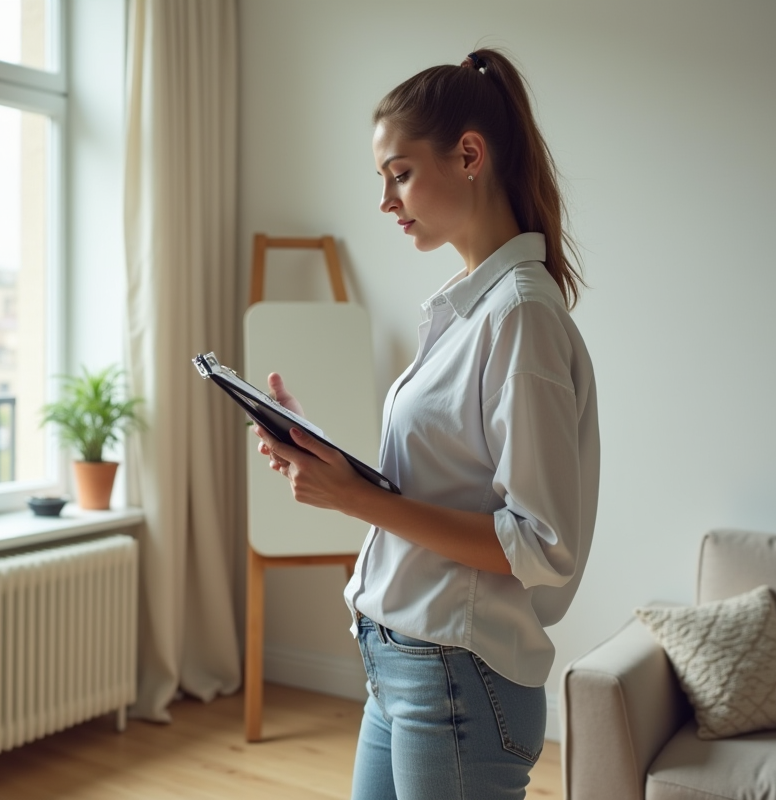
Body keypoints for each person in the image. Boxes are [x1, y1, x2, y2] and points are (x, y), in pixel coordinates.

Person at [252, 49, 600, 800]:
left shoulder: (520, 318)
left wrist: (356, 500)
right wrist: (332, 463)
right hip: (403, 663)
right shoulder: (465, 307)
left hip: (455, 680)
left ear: (469, 154)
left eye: (399, 172)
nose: (386, 199)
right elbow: (446, 482)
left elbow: (539, 544)